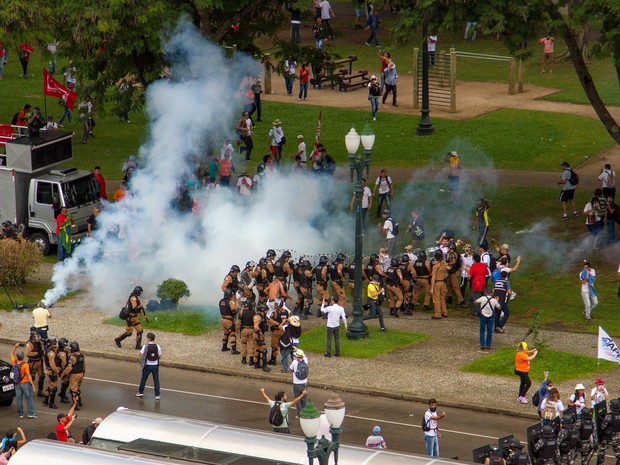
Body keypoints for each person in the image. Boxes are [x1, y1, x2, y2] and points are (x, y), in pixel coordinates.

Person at [10, 343, 37, 419]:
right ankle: (31, 413)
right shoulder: (25, 365)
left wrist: (15, 347)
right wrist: (33, 384)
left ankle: (20, 414)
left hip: (17, 383)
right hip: (25, 383)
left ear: (17, 357)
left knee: (19, 399)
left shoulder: (14, 362)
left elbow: (11, 354)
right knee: (29, 398)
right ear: (23, 357)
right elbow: (28, 375)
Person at [137, 332, 161, 400]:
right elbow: (159, 355)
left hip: (148, 365)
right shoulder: (157, 346)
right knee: (156, 380)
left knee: (144, 379)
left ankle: (140, 392)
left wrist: (141, 360)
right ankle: (157, 395)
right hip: (155, 365)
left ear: (149, 339)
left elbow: (141, 354)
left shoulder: (146, 346)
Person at [61, 341, 85, 409]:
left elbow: (69, 368)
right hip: (80, 374)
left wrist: (63, 373)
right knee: (77, 388)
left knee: (73, 390)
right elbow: (84, 366)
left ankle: (76, 404)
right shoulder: (81, 355)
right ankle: (79, 401)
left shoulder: (73, 357)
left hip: (74, 375)